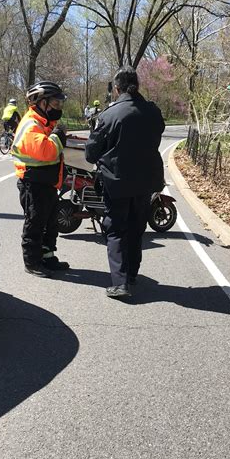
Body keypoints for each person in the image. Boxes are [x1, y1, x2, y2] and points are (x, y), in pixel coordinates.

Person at [85, 66, 165, 299]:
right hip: (146, 181)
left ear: (117, 89)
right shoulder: (152, 111)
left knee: (116, 229)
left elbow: (91, 152)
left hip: (116, 182)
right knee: (136, 228)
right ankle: (131, 274)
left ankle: (120, 283)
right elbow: (157, 133)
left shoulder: (109, 115)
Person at [11, 80, 70, 277]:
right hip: (33, 184)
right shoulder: (31, 124)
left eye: (60, 103)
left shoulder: (45, 122)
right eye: (55, 103)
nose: (58, 107)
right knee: (35, 224)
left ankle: (47, 257)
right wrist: (58, 136)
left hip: (47, 183)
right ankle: (32, 262)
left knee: (51, 224)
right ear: (41, 103)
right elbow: (47, 151)